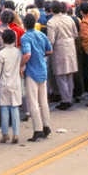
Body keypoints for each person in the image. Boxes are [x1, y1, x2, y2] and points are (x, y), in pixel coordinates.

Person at [20, 13, 52, 142]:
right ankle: (46, 126)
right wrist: (40, 54)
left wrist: (21, 65)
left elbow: (27, 54)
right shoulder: (41, 35)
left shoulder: (25, 37)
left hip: (32, 72)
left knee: (33, 102)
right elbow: (49, 50)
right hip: (42, 69)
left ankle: (37, 129)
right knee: (43, 101)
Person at [46, 1, 78, 111]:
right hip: (71, 47)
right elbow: (75, 34)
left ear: (51, 10)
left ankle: (66, 100)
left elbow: (51, 40)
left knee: (61, 76)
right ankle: (69, 96)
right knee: (69, 75)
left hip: (59, 49)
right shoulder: (69, 18)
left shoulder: (51, 22)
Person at [0, 29, 22, 144]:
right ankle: (16, 133)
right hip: (15, 83)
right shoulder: (18, 52)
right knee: (15, 108)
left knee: (4, 108)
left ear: (3, 39)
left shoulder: (1, 54)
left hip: (4, 84)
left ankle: (5, 134)